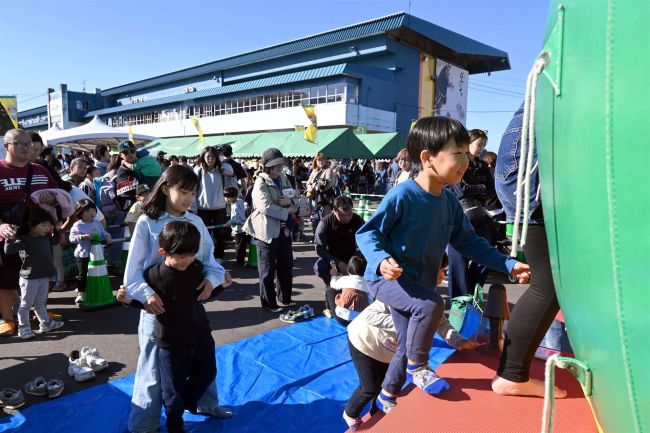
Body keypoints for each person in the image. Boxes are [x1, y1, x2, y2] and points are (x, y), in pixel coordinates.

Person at [356, 116, 530, 413]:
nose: (466, 160)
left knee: (406, 343)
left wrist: (507, 262)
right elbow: (368, 232)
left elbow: (469, 242)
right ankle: (420, 367)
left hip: (417, 285)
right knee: (429, 306)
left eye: (467, 152)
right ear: (427, 158)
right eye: (458, 153)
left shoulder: (449, 201)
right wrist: (382, 259)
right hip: (387, 280)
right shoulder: (403, 195)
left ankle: (387, 396)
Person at [123, 164, 232, 433]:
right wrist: (146, 295)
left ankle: (207, 403)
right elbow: (132, 274)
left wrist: (211, 281)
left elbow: (212, 264)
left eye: (192, 192)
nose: (188, 198)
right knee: (151, 367)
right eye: (183, 191)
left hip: (191, 310)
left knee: (204, 361)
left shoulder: (195, 222)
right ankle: (144, 424)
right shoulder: (147, 223)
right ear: (165, 188)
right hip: (157, 313)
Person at [343, 254, 479, 430]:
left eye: (444, 271)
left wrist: (457, 340)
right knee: (369, 387)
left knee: (384, 384)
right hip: (364, 343)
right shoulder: (399, 292)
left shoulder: (432, 299)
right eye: (439, 271)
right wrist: (411, 323)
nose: (442, 276)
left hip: (387, 351)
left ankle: (379, 416)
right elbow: (371, 316)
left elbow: (441, 322)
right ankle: (350, 414)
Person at [491, 103, 567, 399]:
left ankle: (513, 370)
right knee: (546, 287)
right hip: (530, 180)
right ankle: (512, 373)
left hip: (522, 176)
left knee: (546, 285)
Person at [123, 221, 217, 433]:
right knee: (171, 391)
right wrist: (128, 301)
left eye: (192, 254)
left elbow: (203, 294)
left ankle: (190, 402)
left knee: (208, 372)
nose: (188, 260)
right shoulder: (153, 275)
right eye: (182, 256)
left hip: (200, 333)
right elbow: (148, 304)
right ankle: (175, 425)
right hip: (171, 342)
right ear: (164, 252)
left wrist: (219, 284)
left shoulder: (196, 268)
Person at [0, 129, 59, 337]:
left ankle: (37, 311)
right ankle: (7, 319)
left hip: (38, 236)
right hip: (10, 234)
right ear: (7, 146)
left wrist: (52, 200)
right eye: (19, 143)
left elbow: (57, 194)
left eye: (28, 143)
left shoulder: (40, 170)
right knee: (8, 278)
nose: (26, 147)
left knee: (40, 274)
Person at [243, 148, 298, 312]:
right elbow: (264, 206)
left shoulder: (284, 178)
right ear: (267, 166)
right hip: (266, 231)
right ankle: (269, 304)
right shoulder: (260, 182)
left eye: (281, 163)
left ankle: (285, 299)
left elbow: (294, 196)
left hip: (284, 230)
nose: (280, 166)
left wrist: (290, 202)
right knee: (267, 270)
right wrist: (287, 210)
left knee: (286, 265)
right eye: (276, 164)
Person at [446, 128, 496, 298]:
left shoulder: (482, 165)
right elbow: (460, 190)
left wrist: (475, 189)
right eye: (479, 144)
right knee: (458, 261)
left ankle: (472, 294)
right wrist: (479, 188)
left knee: (485, 255)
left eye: (484, 145)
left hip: (479, 216)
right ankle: (459, 301)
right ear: (468, 143)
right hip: (458, 214)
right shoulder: (458, 162)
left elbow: (491, 191)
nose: (481, 147)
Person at [3, 208, 64, 340]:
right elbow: (8, 251)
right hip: (29, 279)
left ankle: (46, 324)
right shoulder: (24, 239)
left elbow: (56, 241)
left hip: (44, 276)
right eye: (43, 225)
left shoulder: (47, 237)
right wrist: (10, 238)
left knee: (40, 303)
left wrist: (57, 230)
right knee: (25, 305)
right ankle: (23, 328)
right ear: (31, 225)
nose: (47, 228)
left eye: (49, 224)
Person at [313, 196, 364, 287]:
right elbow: (320, 248)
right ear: (334, 211)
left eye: (349, 214)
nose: (347, 218)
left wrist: (354, 262)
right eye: (342, 215)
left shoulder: (358, 221)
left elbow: (364, 244)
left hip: (352, 257)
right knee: (320, 267)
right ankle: (331, 285)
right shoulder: (325, 223)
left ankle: (358, 287)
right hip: (333, 258)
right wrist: (337, 263)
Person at [194, 146, 234, 263]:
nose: (210, 159)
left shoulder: (222, 168)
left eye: (213, 156)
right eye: (208, 156)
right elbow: (194, 190)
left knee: (220, 235)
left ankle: (219, 256)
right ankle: (204, 256)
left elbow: (231, 171)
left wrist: (221, 165)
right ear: (203, 157)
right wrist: (194, 207)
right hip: (203, 208)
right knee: (203, 234)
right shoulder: (198, 170)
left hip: (220, 207)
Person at [69, 199, 112, 304]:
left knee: (98, 272)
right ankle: (81, 293)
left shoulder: (97, 223)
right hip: (83, 254)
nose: (91, 213)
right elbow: (72, 238)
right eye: (87, 211)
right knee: (83, 274)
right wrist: (82, 237)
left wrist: (108, 236)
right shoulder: (77, 225)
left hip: (97, 255)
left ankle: (96, 291)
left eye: (93, 210)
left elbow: (102, 233)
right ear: (80, 213)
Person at [324, 255, 372, 327]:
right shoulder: (368, 283)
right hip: (359, 321)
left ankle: (328, 310)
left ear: (349, 268)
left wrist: (334, 276)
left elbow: (333, 285)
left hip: (341, 318)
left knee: (329, 290)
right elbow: (370, 301)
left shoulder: (346, 279)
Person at [305, 153, 336, 236]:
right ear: (316, 161)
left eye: (322, 160)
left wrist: (316, 189)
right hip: (314, 198)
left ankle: (325, 237)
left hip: (324, 199)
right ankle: (316, 236)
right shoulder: (314, 170)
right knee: (315, 218)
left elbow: (329, 184)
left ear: (325, 161)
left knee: (325, 218)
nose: (320, 162)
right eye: (318, 160)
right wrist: (309, 188)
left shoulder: (328, 170)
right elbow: (308, 182)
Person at [223, 186, 248, 267]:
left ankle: (240, 263)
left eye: (228, 198)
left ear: (234, 197)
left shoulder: (235, 205)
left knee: (239, 247)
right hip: (242, 229)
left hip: (239, 229)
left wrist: (229, 222)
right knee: (241, 246)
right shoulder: (239, 201)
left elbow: (238, 217)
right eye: (225, 197)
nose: (227, 199)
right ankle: (241, 261)